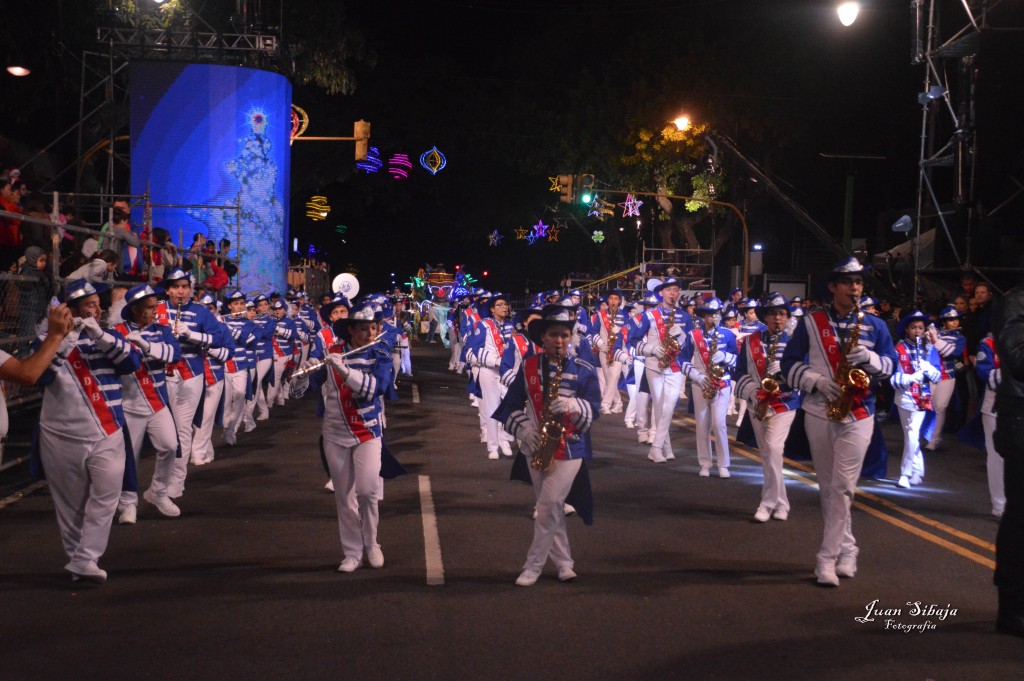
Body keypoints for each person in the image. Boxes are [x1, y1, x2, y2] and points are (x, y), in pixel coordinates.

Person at [781, 258, 897, 587]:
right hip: (819, 409)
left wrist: (872, 359)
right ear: (833, 287)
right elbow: (788, 363)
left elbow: (892, 365)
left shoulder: (876, 325)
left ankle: (826, 558)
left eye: (859, 282)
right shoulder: (810, 322)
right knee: (830, 487)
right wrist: (815, 380)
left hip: (860, 411)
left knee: (843, 487)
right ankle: (848, 548)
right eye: (848, 282)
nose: (855, 288)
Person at [34, 280, 142, 582]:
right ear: (70, 309)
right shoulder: (45, 339)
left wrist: (99, 334)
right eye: (90, 305)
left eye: (98, 303)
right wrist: (63, 340)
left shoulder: (107, 335)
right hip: (61, 433)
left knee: (106, 496)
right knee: (69, 504)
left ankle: (87, 557)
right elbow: (39, 376)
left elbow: (131, 362)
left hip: (106, 430)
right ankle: (77, 563)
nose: (98, 309)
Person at [493, 303, 601, 586]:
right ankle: (564, 563)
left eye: (564, 335)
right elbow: (510, 406)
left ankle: (533, 565)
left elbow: (595, 409)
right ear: (543, 338)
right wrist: (525, 430)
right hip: (536, 445)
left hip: (571, 446)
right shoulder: (528, 366)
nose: (559, 341)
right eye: (554, 335)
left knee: (548, 505)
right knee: (550, 508)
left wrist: (573, 404)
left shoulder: (584, 369)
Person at [316, 303, 394, 573]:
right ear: (351, 330)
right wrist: (304, 377)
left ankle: (372, 543)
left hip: (367, 430)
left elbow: (376, 389)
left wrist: (346, 372)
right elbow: (315, 386)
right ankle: (351, 552)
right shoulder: (332, 352)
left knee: (368, 491)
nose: (370, 334)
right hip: (335, 432)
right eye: (364, 329)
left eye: (374, 328)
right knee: (344, 497)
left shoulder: (381, 353)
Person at [111, 284, 183, 523]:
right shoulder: (117, 331)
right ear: (135, 310)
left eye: (156, 306)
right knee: (128, 456)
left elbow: (174, 355)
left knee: (170, 446)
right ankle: (127, 503)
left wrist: (147, 346)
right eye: (150, 308)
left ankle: (158, 492)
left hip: (157, 402)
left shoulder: (163, 331)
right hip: (129, 404)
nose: (155, 311)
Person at [160, 268, 231, 499]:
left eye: (185, 286)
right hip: (159, 376)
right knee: (163, 435)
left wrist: (193, 335)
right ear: (168, 289)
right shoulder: (157, 309)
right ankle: (160, 480)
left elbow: (220, 338)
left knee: (182, 430)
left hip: (191, 373)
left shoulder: (200, 312)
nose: (181, 291)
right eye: (176, 287)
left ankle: (177, 482)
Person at [736, 293, 800, 521]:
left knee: (773, 448)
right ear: (765, 317)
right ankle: (782, 503)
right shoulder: (751, 341)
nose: (778, 319)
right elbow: (740, 372)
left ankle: (767, 502)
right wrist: (752, 392)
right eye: (773, 314)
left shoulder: (795, 342)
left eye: (782, 314)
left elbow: (805, 374)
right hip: (758, 401)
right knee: (768, 455)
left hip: (785, 401)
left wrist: (784, 372)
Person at [632, 277, 694, 463]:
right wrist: (650, 349)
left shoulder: (685, 316)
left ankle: (656, 447)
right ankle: (665, 446)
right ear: (661, 293)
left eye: (676, 290)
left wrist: (681, 336)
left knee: (668, 406)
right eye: (669, 290)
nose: (672, 293)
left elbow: (690, 345)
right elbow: (633, 341)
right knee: (660, 406)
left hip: (675, 366)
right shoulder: (650, 315)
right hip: (654, 365)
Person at [993, 286, 1024, 637]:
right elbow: (1016, 357)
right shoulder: (1016, 302)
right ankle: (1011, 606)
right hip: (1020, 420)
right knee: (1020, 517)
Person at [683, 296, 738, 478]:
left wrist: (725, 356)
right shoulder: (694, 335)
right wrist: (695, 375)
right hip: (700, 383)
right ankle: (705, 463)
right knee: (702, 425)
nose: (712, 318)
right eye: (708, 314)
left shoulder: (729, 335)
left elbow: (738, 361)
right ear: (703, 316)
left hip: (721, 383)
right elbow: (681, 359)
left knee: (719, 424)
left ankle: (724, 464)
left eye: (715, 314)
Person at [890, 310, 942, 488]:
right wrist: (910, 378)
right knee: (910, 435)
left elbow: (938, 376)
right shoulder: (899, 349)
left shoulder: (929, 349)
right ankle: (918, 469)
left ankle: (905, 473)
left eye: (920, 327)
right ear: (907, 329)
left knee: (912, 434)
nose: (917, 331)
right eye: (913, 327)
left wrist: (927, 368)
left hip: (923, 396)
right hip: (904, 397)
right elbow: (893, 379)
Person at [466, 293, 516, 459]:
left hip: (506, 371)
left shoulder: (512, 326)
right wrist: (494, 361)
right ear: (492, 309)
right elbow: (472, 351)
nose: (504, 307)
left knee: (509, 406)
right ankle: (493, 446)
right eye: (500, 305)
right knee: (492, 408)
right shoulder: (484, 325)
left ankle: (505, 439)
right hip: (489, 370)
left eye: (505, 304)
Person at [924, 305, 967, 450]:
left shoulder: (959, 338)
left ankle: (935, 439)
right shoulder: (935, 333)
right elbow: (925, 351)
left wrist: (936, 340)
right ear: (944, 321)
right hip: (930, 374)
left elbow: (952, 354)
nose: (954, 322)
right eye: (950, 319)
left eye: (956, 319)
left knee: (941, 407)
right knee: (929, 407)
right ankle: (929, 435)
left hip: (947, 375)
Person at [976, 333, 1004, 518]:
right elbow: (985, 373)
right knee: (996, 456)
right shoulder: (988, 343)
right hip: (994, 407)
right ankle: (1000, 505)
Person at [590, 289, 626, 414]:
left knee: (614, 376)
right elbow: (593, 331)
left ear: (620, 301)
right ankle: (618, 403)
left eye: (616, 299)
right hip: (604, 351)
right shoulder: (601, 315)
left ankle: (605, 404)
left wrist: (621, 331)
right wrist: (600, 344)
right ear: (608, 300)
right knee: (610, 378)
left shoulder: (625, 315)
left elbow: (629, 333)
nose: (613, 301)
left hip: (619, 352)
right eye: (611, 299)